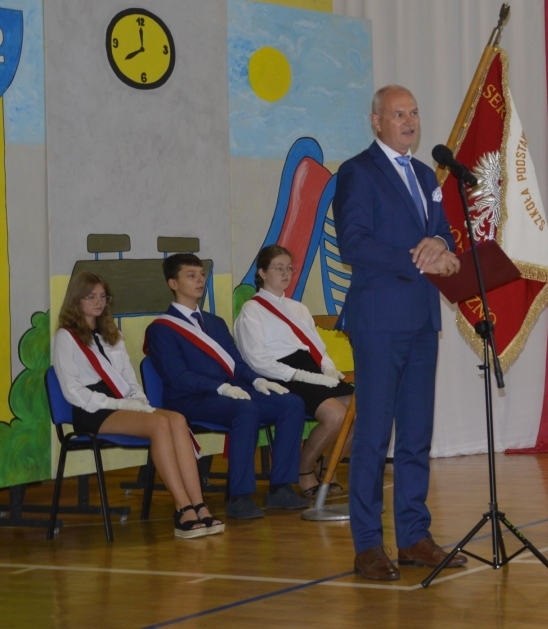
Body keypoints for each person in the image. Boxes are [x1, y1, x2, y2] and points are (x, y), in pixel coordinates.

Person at [334, 84, 463, 581]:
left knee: (415, 434)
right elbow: (354, 243)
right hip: (379, 320)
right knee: (373, 435)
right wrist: (419, 258)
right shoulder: (357, 172)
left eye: (414, 113)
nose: (409, 122)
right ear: (376, 121)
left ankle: (413, 536)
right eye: (398, 114)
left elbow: (442, 231)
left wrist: (442, 246)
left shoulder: (428, 175)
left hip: (422, 319)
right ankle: (367, 544)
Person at [52, 272, 223, 539]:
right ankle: (182, 508)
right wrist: (119, 403)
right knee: (159, 425)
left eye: (103, 297)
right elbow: (73, 391)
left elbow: (129, 379)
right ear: (76, 300)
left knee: (177, 419)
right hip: (92, 409)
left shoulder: (113, 334)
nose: (98, 302)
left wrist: (138, 400)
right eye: (90, 297)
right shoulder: (66, 337)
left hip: (123, 402)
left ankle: (199, 504)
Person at [144, 253, 309, 520]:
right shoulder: (161, 329)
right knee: (245, 409)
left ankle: (280, 488)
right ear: (173, 283)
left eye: (201, 275)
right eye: (191, 276)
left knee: (292, 403)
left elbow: (236, 364)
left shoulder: (215, 323)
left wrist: (257, 380)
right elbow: (177, 377)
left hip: (230, 393)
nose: (200, 280)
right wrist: (219, 388)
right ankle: (238, 496)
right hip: (189, 399)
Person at [235, 244, 355, 496]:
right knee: (336, 416)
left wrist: (328, 368)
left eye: (289, 268)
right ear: (262, 272)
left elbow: (317, 347)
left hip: (311, 368)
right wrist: (300, 375)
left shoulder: (298, 308)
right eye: (278, 268)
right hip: (282, 375)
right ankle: (304, 468)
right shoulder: (251, 310)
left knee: (363, 411)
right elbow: (256, 360)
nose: (285, 273)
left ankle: (328, 467)